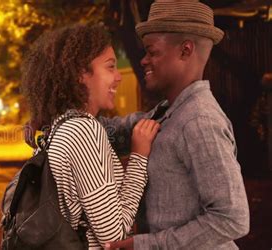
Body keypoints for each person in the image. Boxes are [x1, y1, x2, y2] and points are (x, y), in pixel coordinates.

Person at [101, 1, 250, 249]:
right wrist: (55, 122)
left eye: (152, 52)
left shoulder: (199, 121)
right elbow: (113, 131)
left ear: (185, 50)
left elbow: (232, 218)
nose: (144, 61)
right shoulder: (168, 112)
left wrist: (145, 245)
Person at [21, 23, 160, 249]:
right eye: (110, 67)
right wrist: (139, 158)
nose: (118, 77)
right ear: (80, 74)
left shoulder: (60, 126)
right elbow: (113, 234)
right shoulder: (83, 131)